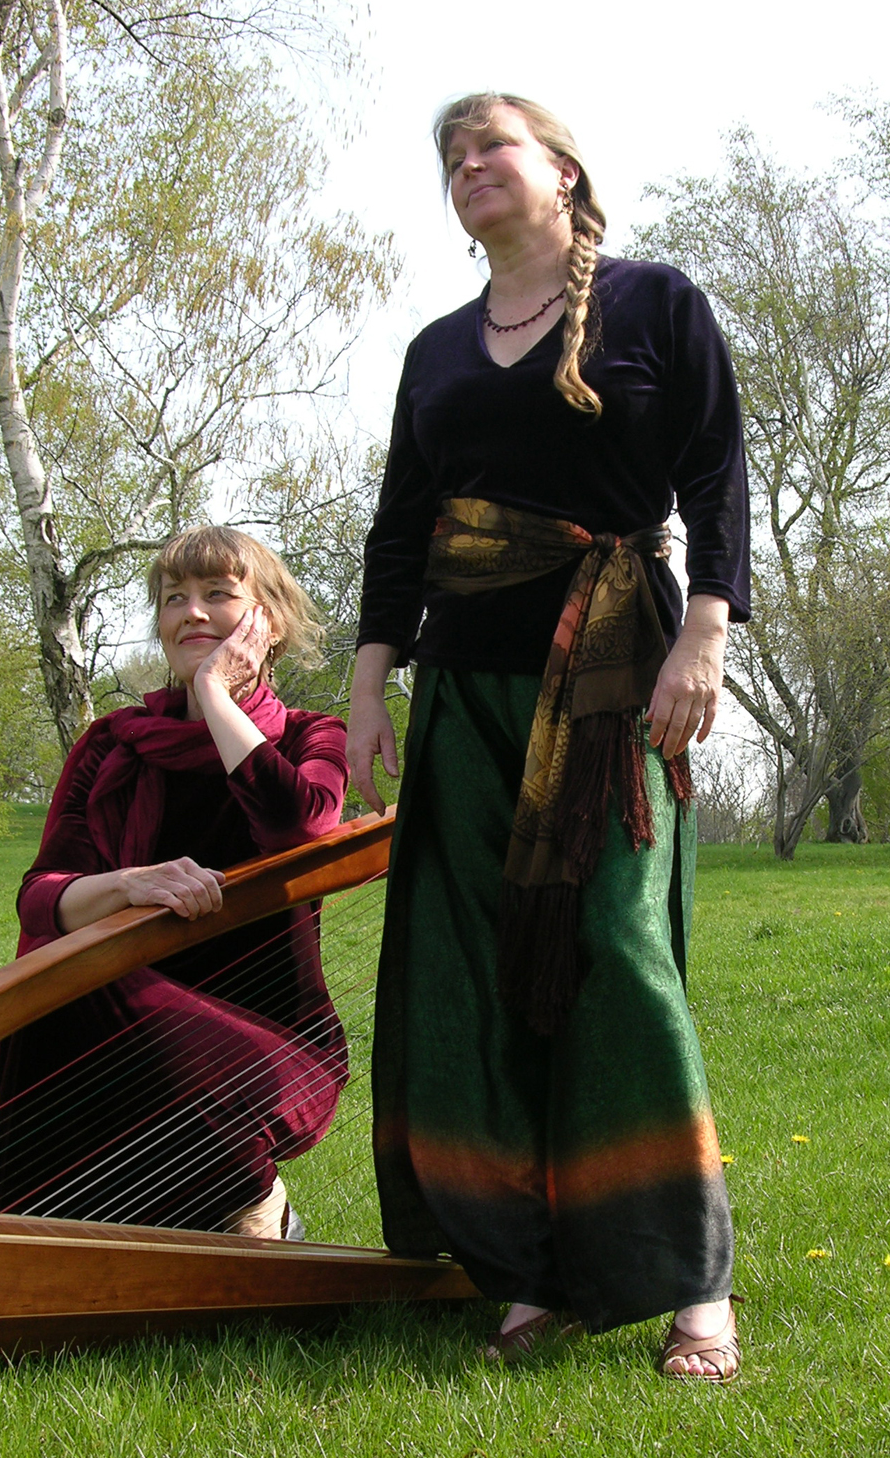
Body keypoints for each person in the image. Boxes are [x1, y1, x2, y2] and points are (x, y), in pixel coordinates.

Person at [348, 94, 749, 1380]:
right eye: (449, 159)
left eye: (490, 147)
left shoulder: (653, 304)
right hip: (464, 688)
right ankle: (516, 1262)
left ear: (561, 170)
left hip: (615, 680)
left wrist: (704, 635)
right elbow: (398, 525)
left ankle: (688, 1275)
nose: (467, 168)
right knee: (471, 965)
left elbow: (717, 474)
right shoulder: (434, 349)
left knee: (619, 950)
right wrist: (369, 679)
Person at [0, 526, 350, 1239]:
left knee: (83, 976)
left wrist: (212, 690)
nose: (192, 612)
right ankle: (22, 1243)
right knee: (65, 975)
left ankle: (255, 1199)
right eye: (174, 598)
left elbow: (298, 830)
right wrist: (127, 884)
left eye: (217, 594)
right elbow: (42, 892)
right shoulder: (114, 743)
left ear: (267, 621)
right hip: (125, 1017)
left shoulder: (310, 738)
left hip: (272, 1047)